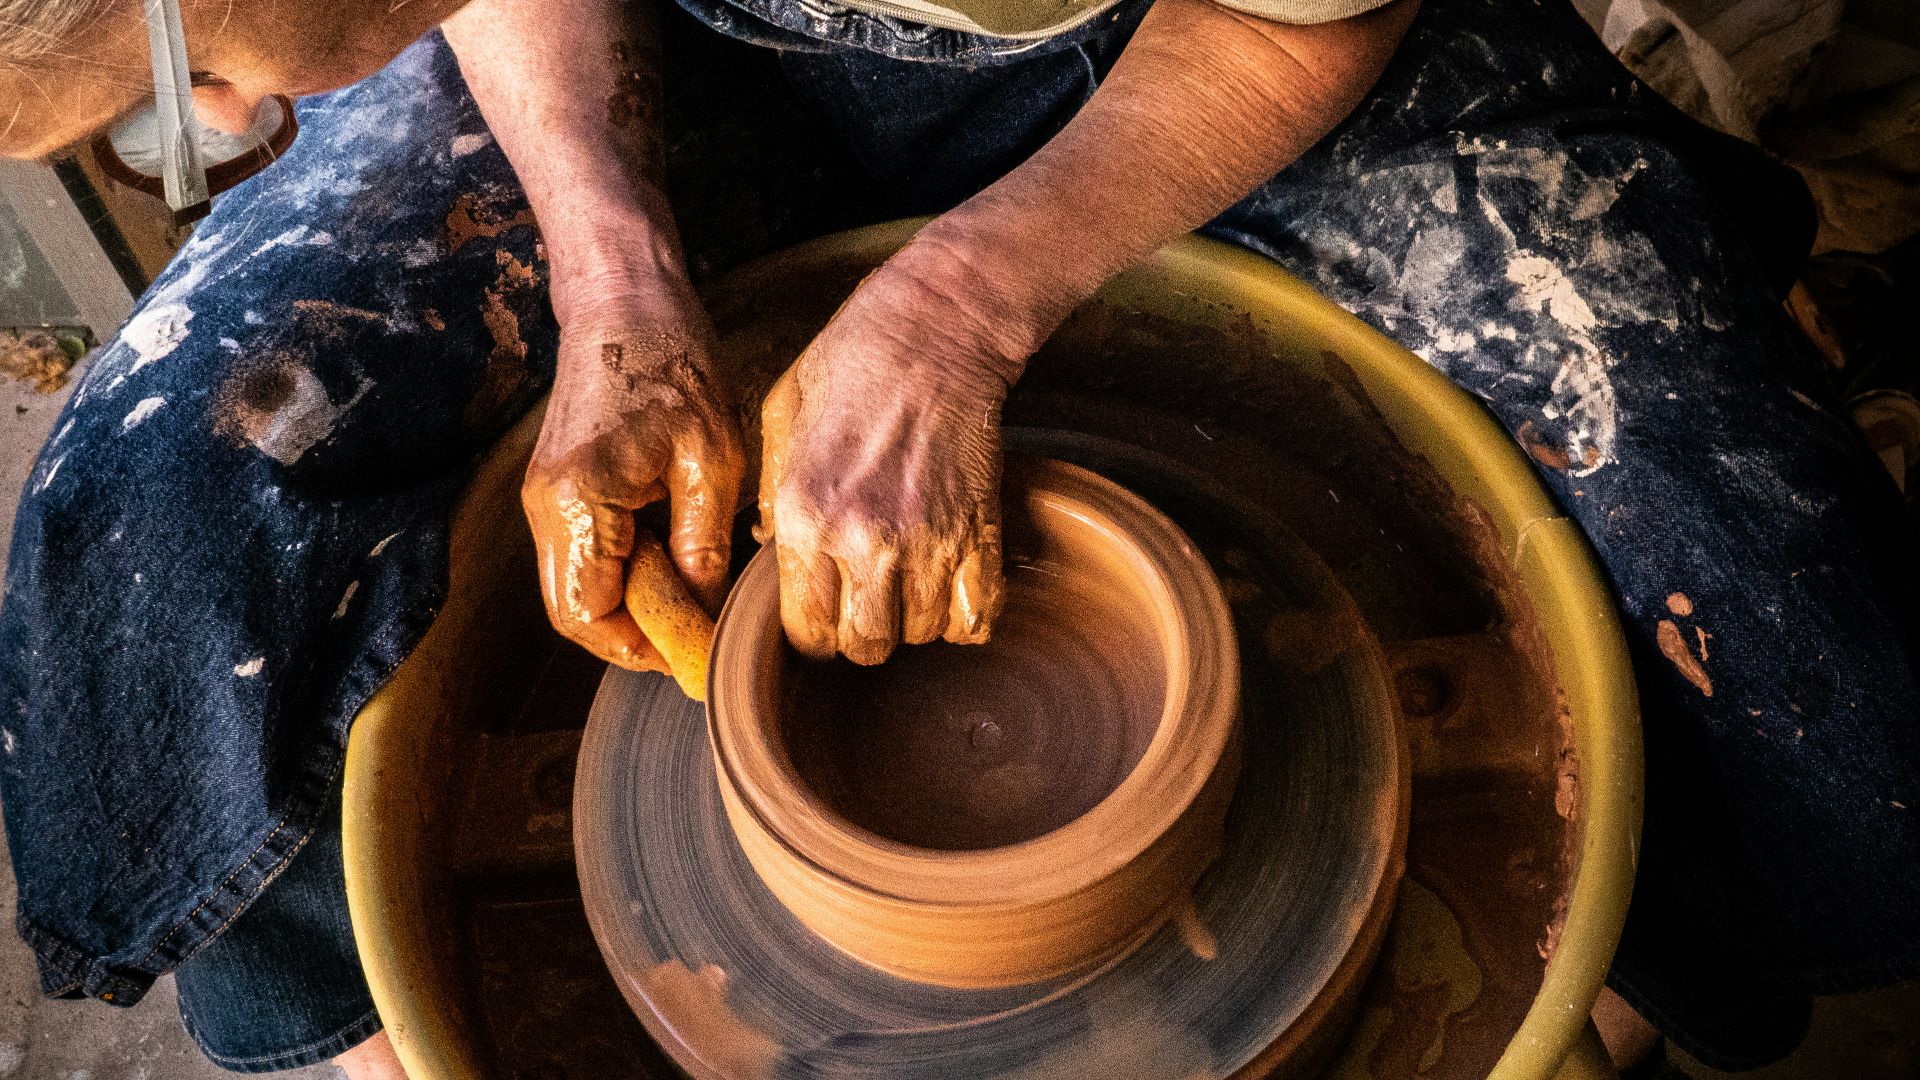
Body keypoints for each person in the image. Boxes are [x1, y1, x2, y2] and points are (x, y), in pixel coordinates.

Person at [2, 0, 1916, 1074]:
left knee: (1790, 641)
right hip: (654, 39)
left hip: (1203, 42)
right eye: (152, 136)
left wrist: (957, 314)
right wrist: (609, 266)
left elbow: (1289, 10)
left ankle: (1605, 1000)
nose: (239, 125)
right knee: (166, 514)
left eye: (178, 84)